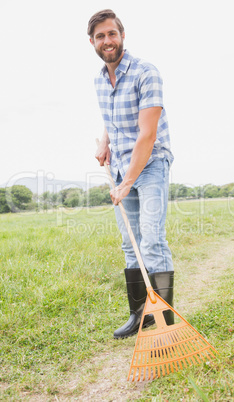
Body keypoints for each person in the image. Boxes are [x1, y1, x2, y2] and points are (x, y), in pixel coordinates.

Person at [87, 9, 174, 339]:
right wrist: (105, 142)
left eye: (112, 33)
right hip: (121, 164)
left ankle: (165, 321)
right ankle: (140, 315)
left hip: (151, 164)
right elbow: (112, 119)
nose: (107, 41)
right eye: (100, 36)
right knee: (130, 243)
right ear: (92, 42)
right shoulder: (98, 79)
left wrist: (126, 184)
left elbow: (146, 135)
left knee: (151, 240)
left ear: (122, 36)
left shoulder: (145, 72)